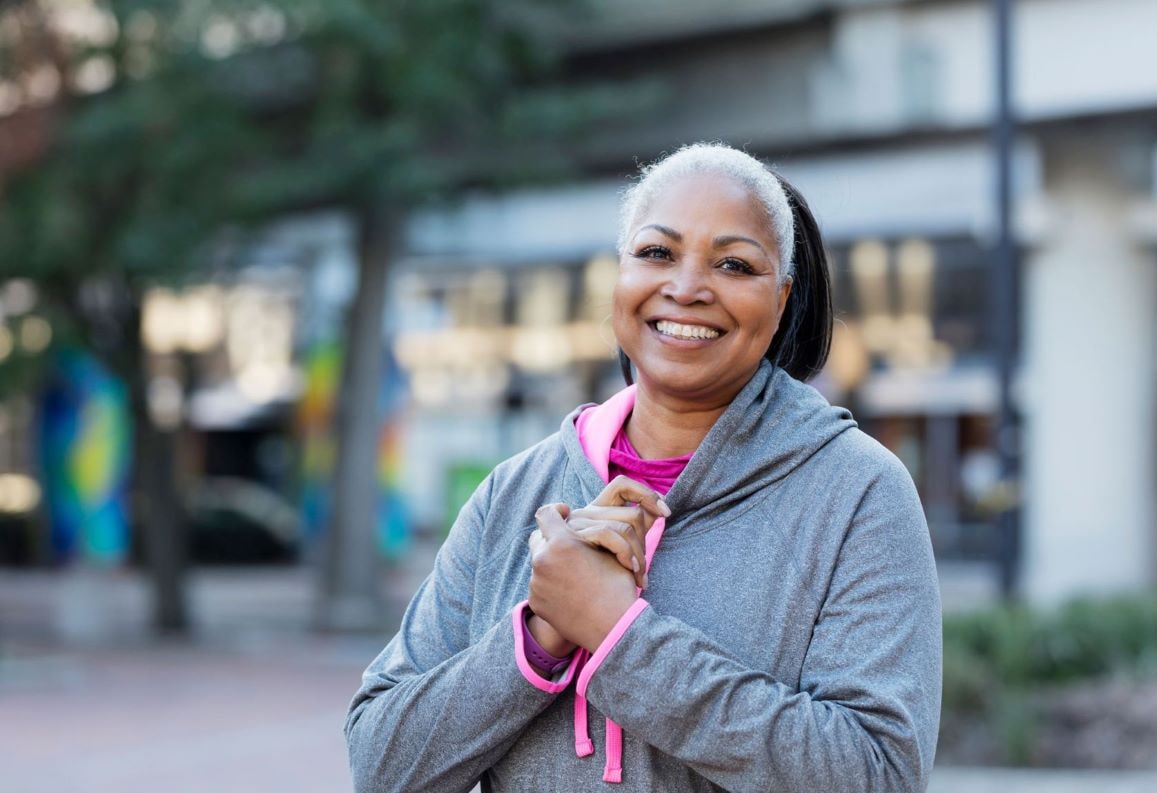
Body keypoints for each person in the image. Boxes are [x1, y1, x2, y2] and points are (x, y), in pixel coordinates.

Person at [345, 142, 942, 792]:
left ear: (781, 299)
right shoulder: (514, 493)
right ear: (620, 276)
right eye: (656, 253)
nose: (686, 287)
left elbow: (876, 776)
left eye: (735, 263)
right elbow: (382, 765)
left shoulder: (858, 493)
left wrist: (619, 635)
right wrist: (540, 635)